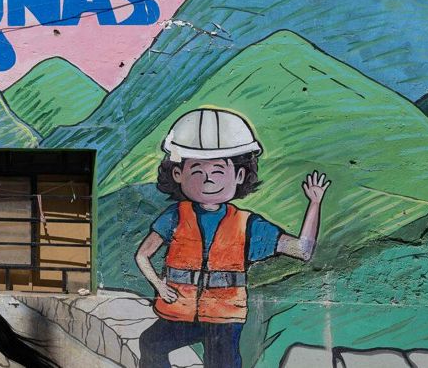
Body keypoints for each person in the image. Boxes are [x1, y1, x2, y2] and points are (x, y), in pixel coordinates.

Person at [133, 108, 329, 368]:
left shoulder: (248, 225)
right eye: (197, 170)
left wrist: (314, 204)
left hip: (223, 318)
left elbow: (302, 250)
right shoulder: (175, 217)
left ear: (239, 175)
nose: (208, 179)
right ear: (178, 174)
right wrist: (159, 285)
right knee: (151, 344)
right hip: (180, 312)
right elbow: (142, 254)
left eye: (217, 170)